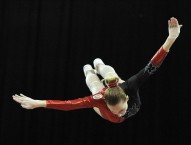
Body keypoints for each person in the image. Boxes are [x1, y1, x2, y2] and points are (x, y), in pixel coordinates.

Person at [12, 17, 182, 123]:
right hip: (101, 100)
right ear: (106, 103)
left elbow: (151, 65)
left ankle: (96, 66)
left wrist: (171, 37)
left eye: (121, 110)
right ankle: (91, 69)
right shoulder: (100, 100)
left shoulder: (130, 86)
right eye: (116, 111)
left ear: (127, 97)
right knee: (96, 87)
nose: (119, 114)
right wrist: (39, 103)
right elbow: (70, 105)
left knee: (105, 76)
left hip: (113, 95)